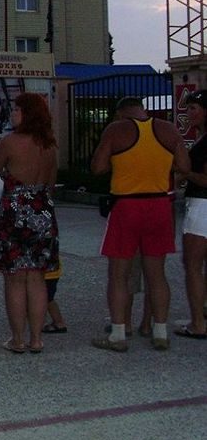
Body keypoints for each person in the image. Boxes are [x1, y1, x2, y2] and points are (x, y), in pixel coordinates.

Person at [90, 96, 190, 352]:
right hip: (159, 205)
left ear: (120, 113)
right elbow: (184, 165)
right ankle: (160, 332)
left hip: (127, 205)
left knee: (119, 274)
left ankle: (118, 334)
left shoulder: (116, 129)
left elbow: (98, 167)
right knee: (157, 274)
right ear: (142, 109)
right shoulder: (168, 129)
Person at [0, 93, 60, 354]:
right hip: (42, 210)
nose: (13, 113)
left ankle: (18, 339)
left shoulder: (10, 142)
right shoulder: (49, 145)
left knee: (15, 279)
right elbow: (51, 183)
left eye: (17, 110)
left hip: (15, 212)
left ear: (28, 114)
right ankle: (36, 339)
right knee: (37, 277)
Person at [175, 89, 207, 339]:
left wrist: (184, 172)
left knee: (193, 265)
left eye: (194, 108)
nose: (189, 113)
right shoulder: (200, 137)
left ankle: (198, 324)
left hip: (201, 205)